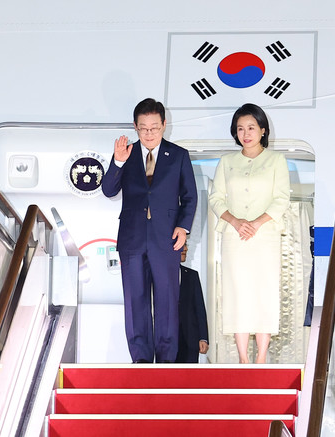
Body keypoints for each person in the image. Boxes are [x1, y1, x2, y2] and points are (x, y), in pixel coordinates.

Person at [101, 98, 197, 363]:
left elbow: (190, 196)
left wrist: (183, 227)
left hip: (166, 239)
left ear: (164, 125)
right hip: (132, 239)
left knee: (167, 300)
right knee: (135, 301)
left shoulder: (178, 155)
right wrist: (117, 163)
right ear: (135, 126)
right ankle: (141, 360)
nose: (149, 133)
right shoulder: (126, 154)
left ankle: (166, 361)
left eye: (154, 127)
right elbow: (108, 190)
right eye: (143, 128)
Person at [208, 103, 290, 364]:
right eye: (240, 128)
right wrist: (235, 221)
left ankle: (261, 358)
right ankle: (243, 359)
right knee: (237, 292)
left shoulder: (276, 160)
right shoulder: (226, 162)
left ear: (263, 130)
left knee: (264, 291)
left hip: (265, 237)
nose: (246, 133)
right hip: (235, 237)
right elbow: (216, 198)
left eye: (251, 128)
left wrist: (256, 223)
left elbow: (281, 198)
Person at [176, 243, 209, 363]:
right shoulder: (157, 276)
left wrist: (203, 337)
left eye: (186, 245)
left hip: (190, 340)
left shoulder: (192, 275)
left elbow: (199, 308)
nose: (185, 248)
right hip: (166, 342)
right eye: (182, 245)